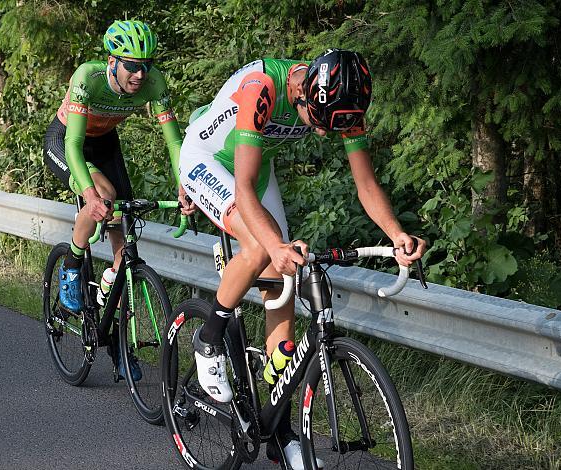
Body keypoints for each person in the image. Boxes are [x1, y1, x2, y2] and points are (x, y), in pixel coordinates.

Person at [178, 49, 427, 469]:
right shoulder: (264, 88)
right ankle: (209, 339)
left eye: (336, 127)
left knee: (284, 266)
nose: (326, 135)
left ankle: (278, 429)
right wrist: (272, 244)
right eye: (318, 123)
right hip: (207, 161)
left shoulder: (342, 104)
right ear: (303, 92)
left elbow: (365, 184)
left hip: (256, 165)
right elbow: (242, 189)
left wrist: (397, 234)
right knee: (262, 247)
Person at [43, 20, 183, 379]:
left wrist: (186, 188)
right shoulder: (88, 78)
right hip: (67, 142)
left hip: (106, 147)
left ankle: (118, 341)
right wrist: (89, 195)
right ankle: (72, 267)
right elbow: (73, 145)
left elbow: (173, 143)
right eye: (132, 65)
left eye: (146, 64)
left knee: (126, 245)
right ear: (112, 61)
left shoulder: (154, 83)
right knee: (104, 195)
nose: (140, 74)